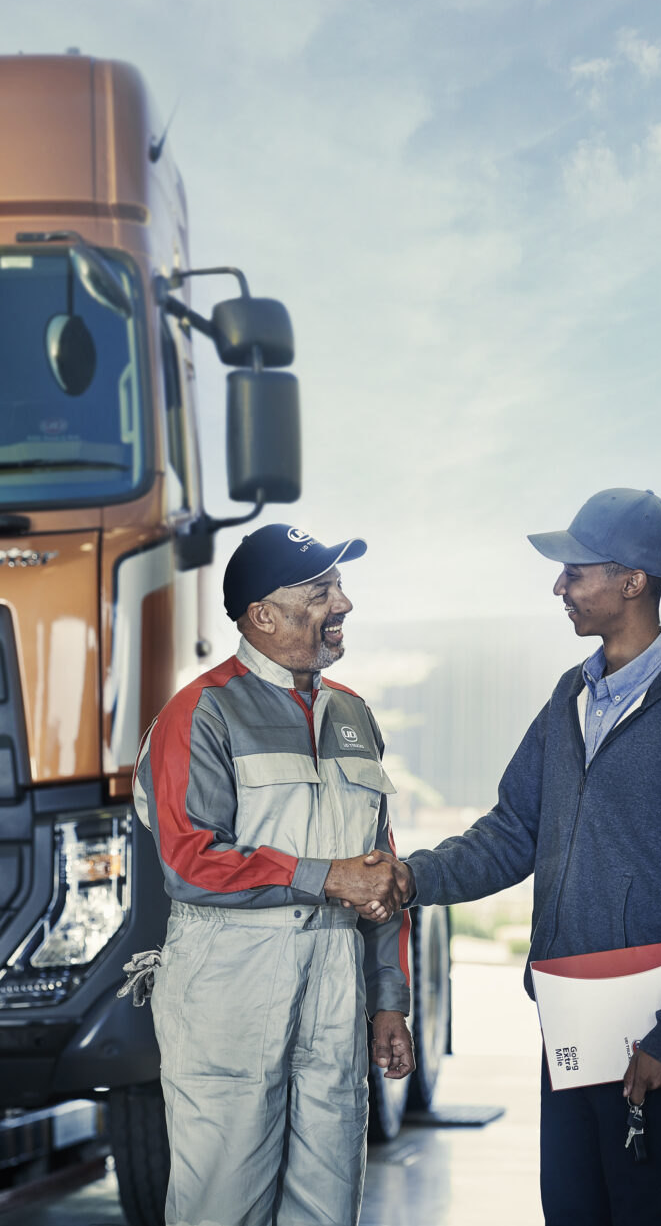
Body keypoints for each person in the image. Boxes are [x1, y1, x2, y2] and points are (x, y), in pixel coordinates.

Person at [362, 488, 661, 1226]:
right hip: (571, 1016)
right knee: (572, 1207)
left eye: (576, 570)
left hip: (652, 1020)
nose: (559, 586)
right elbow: (513, 830)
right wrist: (413, 876)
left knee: (644, 1207)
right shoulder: (569, 696)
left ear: (633, 579)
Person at [127, 522, 414, 1226]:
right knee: (222, 1205)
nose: (342, 602)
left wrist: (388, 999)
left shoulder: (352, 713)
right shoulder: (199, 713)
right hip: (232, 987)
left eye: (339, 585)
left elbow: (377, 869)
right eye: (321, 590)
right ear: (263, 614)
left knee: (328, 1203)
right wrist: (327, 877)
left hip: (335, 987)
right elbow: (189, 859)